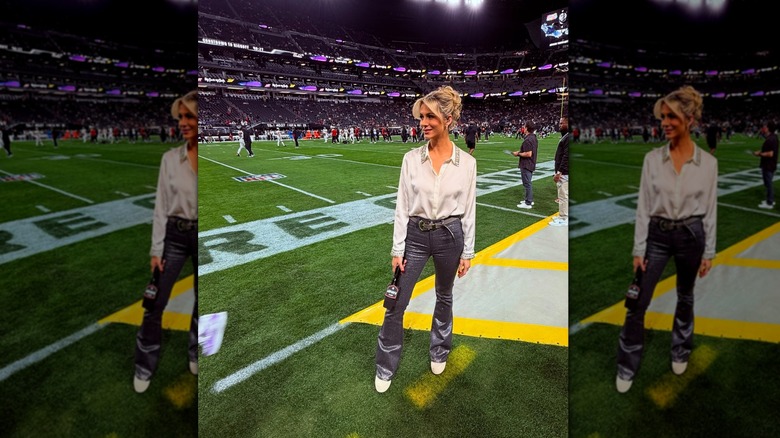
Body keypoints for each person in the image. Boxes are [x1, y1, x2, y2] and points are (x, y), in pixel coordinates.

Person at [375, 85, 476, 393]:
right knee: (396, 302)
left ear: (448, 119)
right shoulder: (411, 159)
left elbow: (469, 209)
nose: (423, 123)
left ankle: (439, 350)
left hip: (450, 236)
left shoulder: (467, 163)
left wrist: (468, 252)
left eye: (430, 116)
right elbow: (402, 206)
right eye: (421, 117)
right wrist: (397, 247)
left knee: (444, 295)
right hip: (415, 238)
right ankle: (385, 365)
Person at [616, 86, 717, 393]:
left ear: (689, 119)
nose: (665, 123)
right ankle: (627, 364)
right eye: (663, 117)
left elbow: (710, 209)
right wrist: (639, 247)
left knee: (686, 296)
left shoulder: (708, 164)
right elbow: (643, 207)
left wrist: (709, 252)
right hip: (657, 236)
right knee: (637, 301)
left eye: (671, 116)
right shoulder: (652, 160)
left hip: (692, 235)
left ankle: (680, 350)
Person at [134, 90, 199, 394]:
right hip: (174, 235)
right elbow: (160, 206)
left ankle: (195, 352)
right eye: (180, 116)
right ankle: (144, 365)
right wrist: (156, 249)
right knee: (154, 302)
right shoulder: (170, 159)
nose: (182, 122)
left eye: (189, 116)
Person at [513, 122, 538, 209]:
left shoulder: (528, 139)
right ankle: (528, 199)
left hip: (526, 164)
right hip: (531, 163)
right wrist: (519, 152)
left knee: (527, 183)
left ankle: (528, 202)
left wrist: (518, 154)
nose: (523, 128)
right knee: (528, 183)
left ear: (527, 128)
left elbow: (528, 154)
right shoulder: (533, 137)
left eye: (524, 127)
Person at [550, 116, 570, 226]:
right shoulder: (566, 136)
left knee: (563, 195)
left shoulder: (567, 137)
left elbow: (566, 156)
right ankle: (563, 216)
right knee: (563, 195)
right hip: (564, 171)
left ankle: (563, 218)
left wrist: (559, 172)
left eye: (562, 123)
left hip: (564, 172)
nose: (560, 125)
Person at [754, 121, 778, 209]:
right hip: (770, 164)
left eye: (765, 126)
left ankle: (769, 203)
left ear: (768, 128)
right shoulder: (773, 137)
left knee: (768, 184)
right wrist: (760, 152)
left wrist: (759, 154)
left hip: (768, 164)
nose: (763, 128)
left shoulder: (771, 139)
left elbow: (770, 154)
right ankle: (770, 199)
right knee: (768, 183)